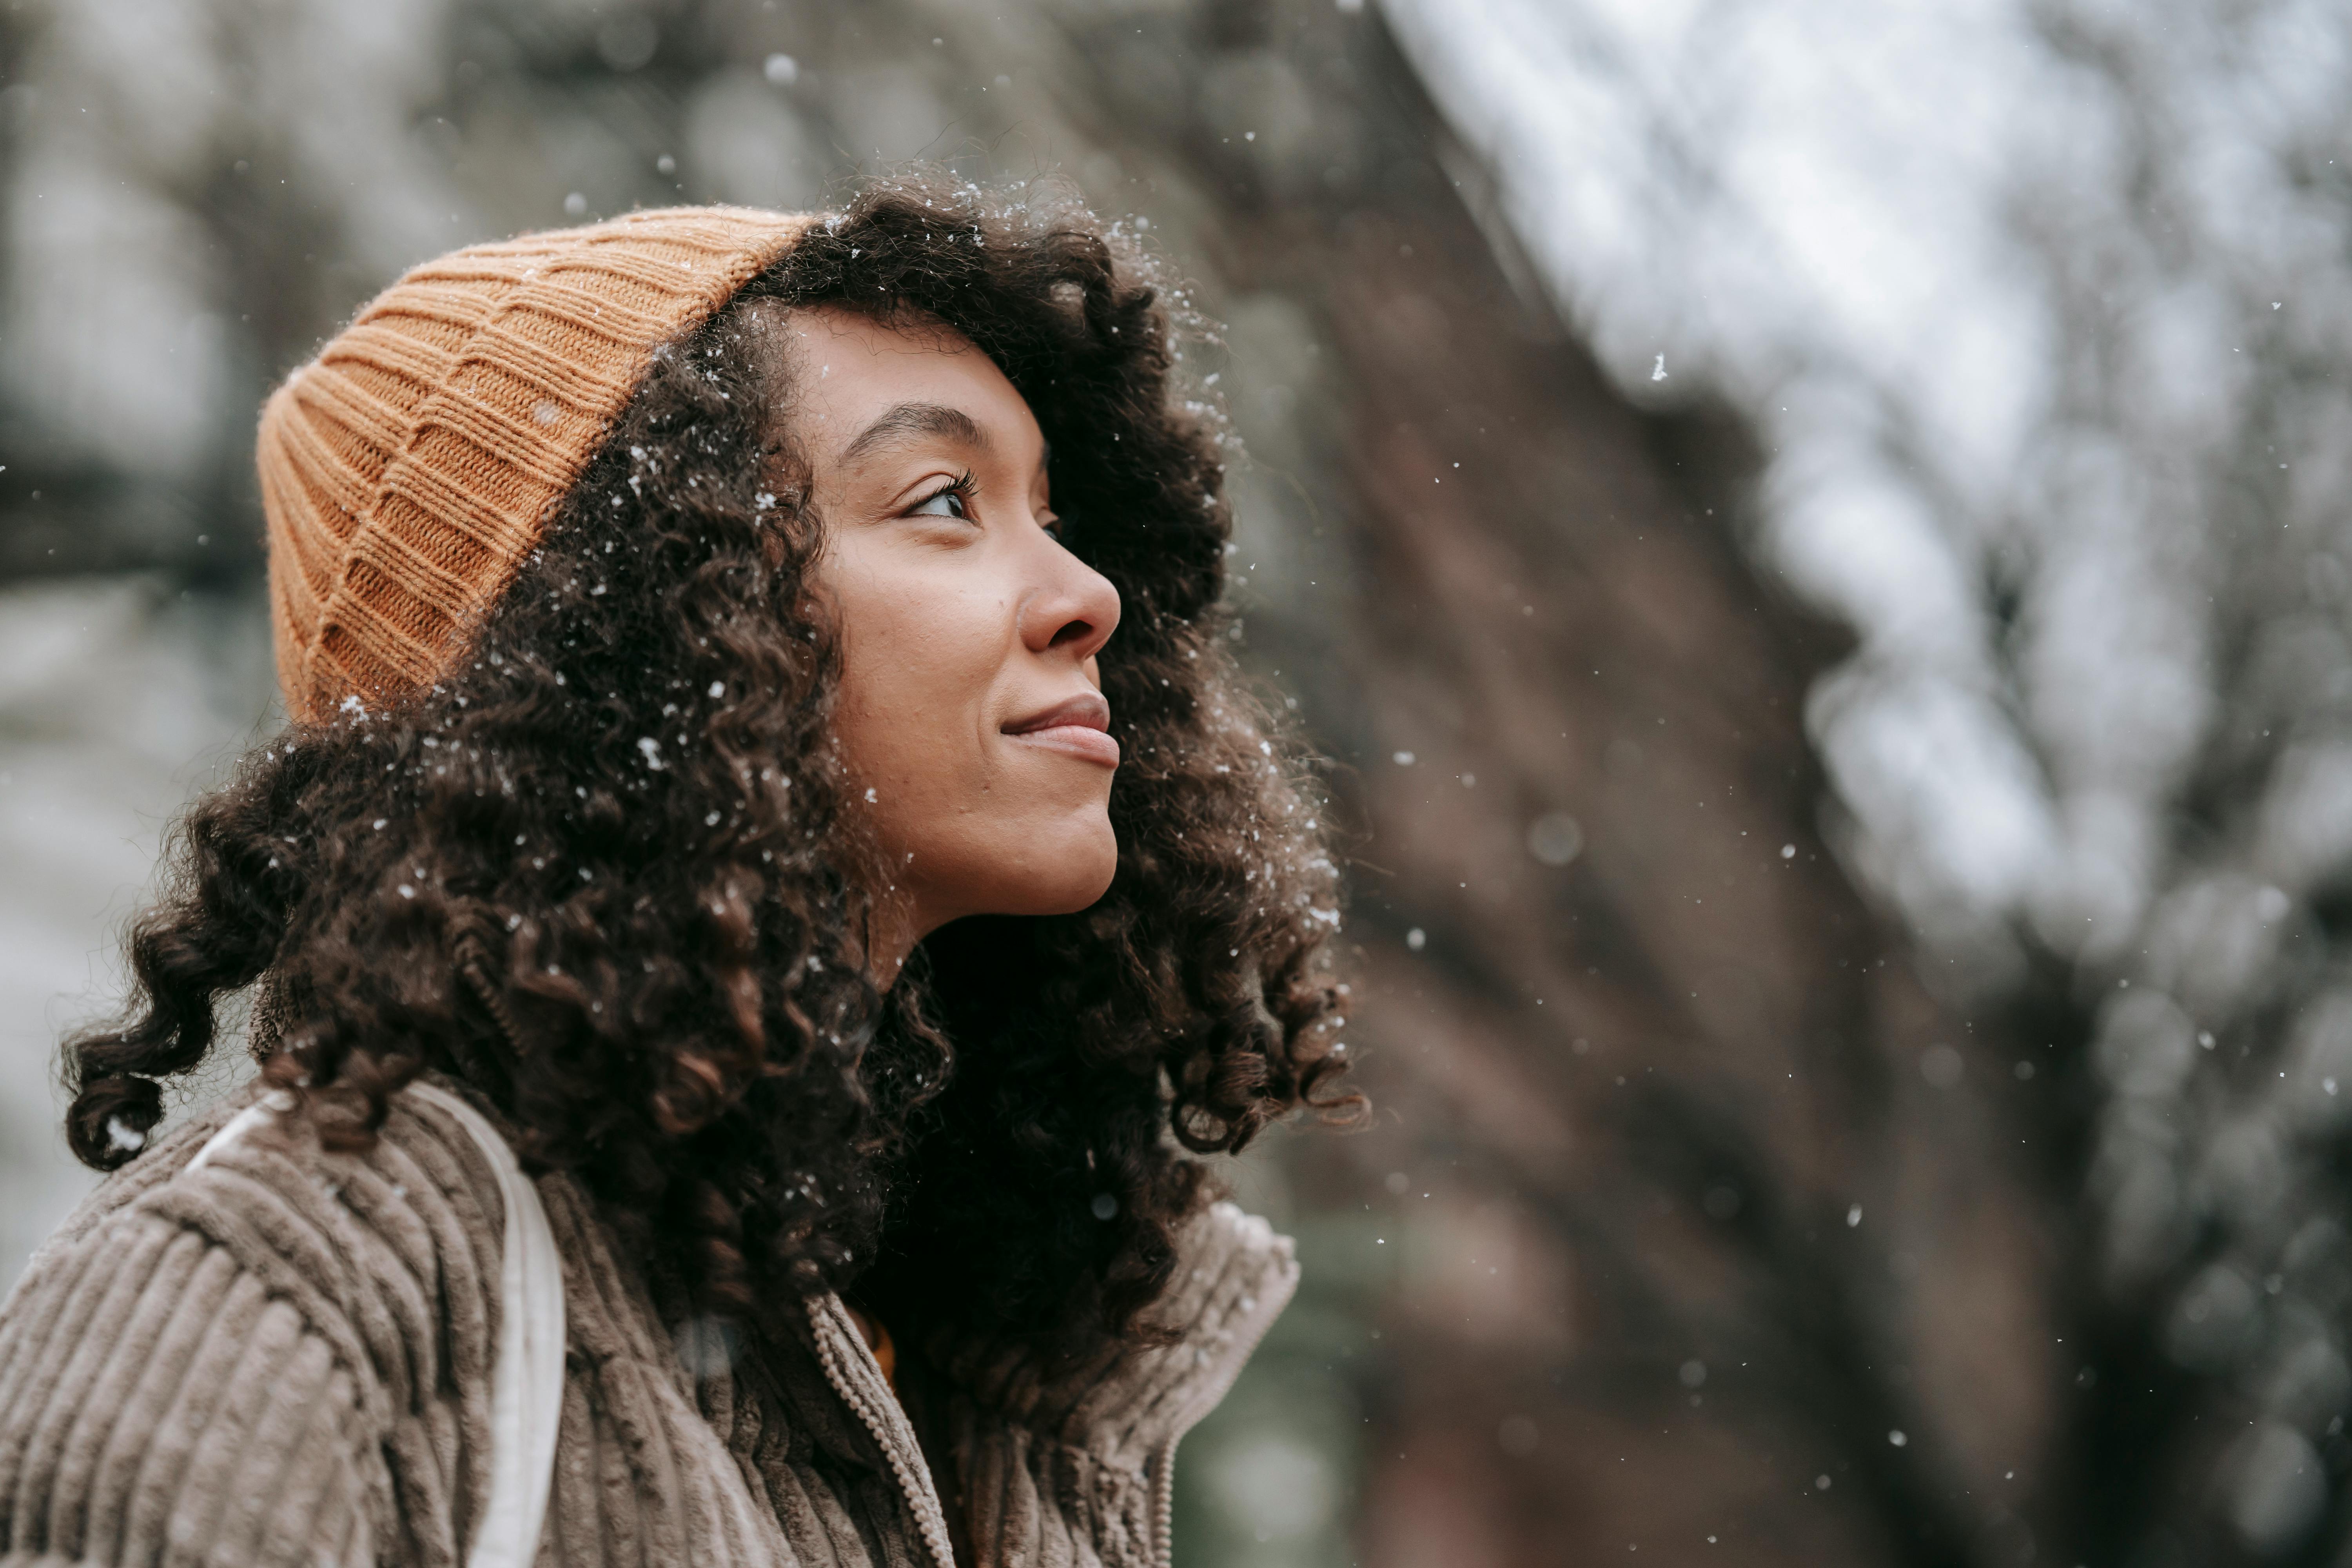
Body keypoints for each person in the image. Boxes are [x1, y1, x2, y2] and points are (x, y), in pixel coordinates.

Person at [0, 176, 1354, 1568]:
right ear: (647, 637)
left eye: (1051, 515)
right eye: (945, 500)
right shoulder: (291, 1286)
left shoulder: (958, 1352)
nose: (1090, 596)